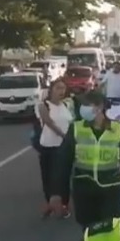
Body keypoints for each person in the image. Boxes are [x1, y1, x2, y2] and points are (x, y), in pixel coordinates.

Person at [49, 91, 120, 228]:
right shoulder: (76, 128)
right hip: (84, 190)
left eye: (87, 104)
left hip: (111, 190)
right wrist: (58, 194)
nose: (82, 108)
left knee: (110, 228)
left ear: (99, 107)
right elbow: (62, 163)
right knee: (88, 229)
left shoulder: (118, 129)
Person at [37, 79, 74, 219]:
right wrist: (64, 136)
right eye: (58, 88)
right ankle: (51, 204)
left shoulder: (66, 105)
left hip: (64, 148)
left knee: (63, 177)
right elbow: (48, 122)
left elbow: (72, 123)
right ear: (51, 90)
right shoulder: (43, 105)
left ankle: (63, 205)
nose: (61, 91)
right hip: (48, 146)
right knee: (48, 177)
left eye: (63, 88)